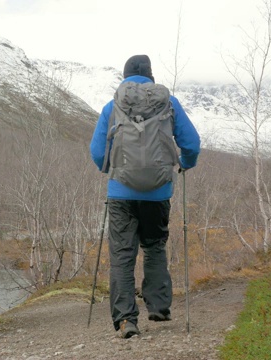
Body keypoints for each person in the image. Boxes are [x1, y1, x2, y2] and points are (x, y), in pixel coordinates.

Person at [89, 55, 201, 338]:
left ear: (124, 76)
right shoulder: (169, 103)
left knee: (122, 255)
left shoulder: (112, 106)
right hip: (158, 191)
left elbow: (97, 152)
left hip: (120, 193)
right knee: (154, 247)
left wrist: (112, 171)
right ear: (151, 77)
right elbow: (192, 143)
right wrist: (185, 163)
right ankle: (159, 307)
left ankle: (127, 320)